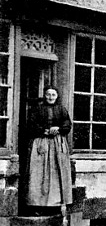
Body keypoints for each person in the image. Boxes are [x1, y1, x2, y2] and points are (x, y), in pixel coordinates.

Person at [26, 87, 72, 215]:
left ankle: (57, 205)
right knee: (39, 173)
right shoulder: (37, 109)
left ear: (57, 96)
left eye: (53, 95)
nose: (51, 97)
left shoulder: (62, 110)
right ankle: (38, 206)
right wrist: (44, 130)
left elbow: (67, 125)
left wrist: (59, 128)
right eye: (48, 94)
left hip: (58, 144)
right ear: (44, 96)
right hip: (41, 143)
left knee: (58, 172)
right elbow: (31, 125)